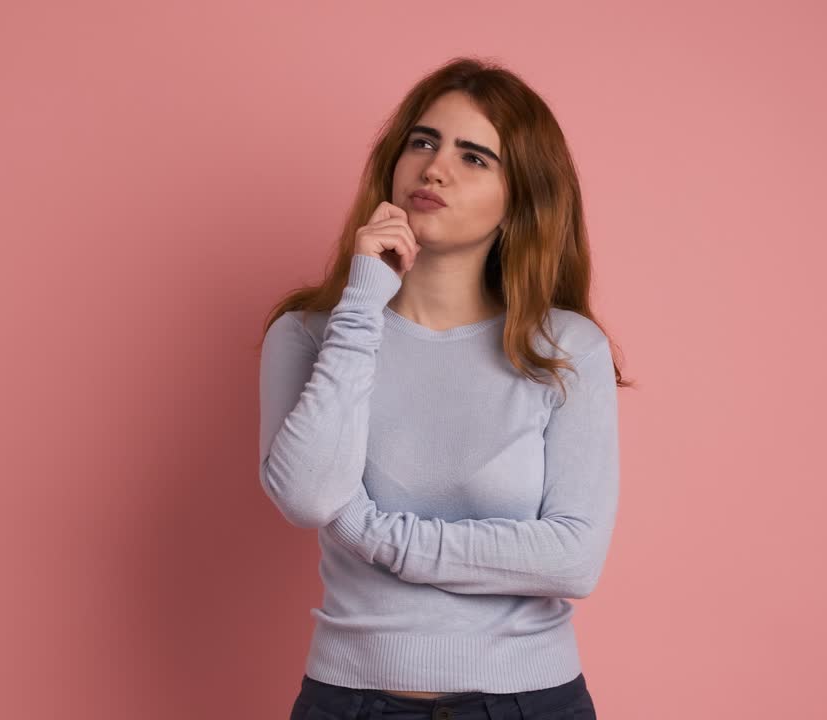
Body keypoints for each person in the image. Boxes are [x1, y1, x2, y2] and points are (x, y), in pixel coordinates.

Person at [257, 56, 633, 720]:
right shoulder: (309, 334)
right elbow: (308, 495)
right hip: (350, 702)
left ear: (522, 199)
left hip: (530, 704)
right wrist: (363, 299)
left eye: (475, 158)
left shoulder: (566, 347)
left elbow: (573, 559)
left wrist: (375, 532)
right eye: (423, 142)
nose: (435, 168)